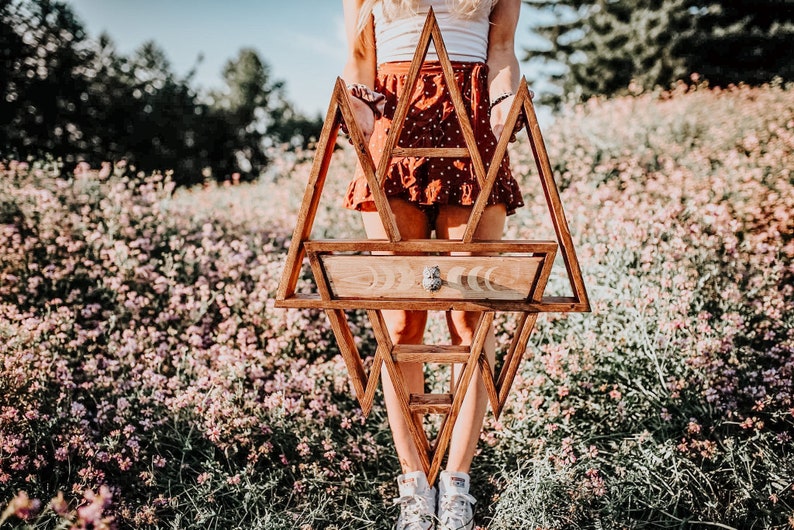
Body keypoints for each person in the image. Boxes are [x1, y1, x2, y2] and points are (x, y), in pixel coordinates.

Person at [341, 1, 523, 528]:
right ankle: (414, 485)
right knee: (401, 318)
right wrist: (354, 114)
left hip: (470, 117)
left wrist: (504, 99)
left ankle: (458, 484)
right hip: (393, 123)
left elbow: (503, 50)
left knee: (471, 313)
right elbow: (358, 62)